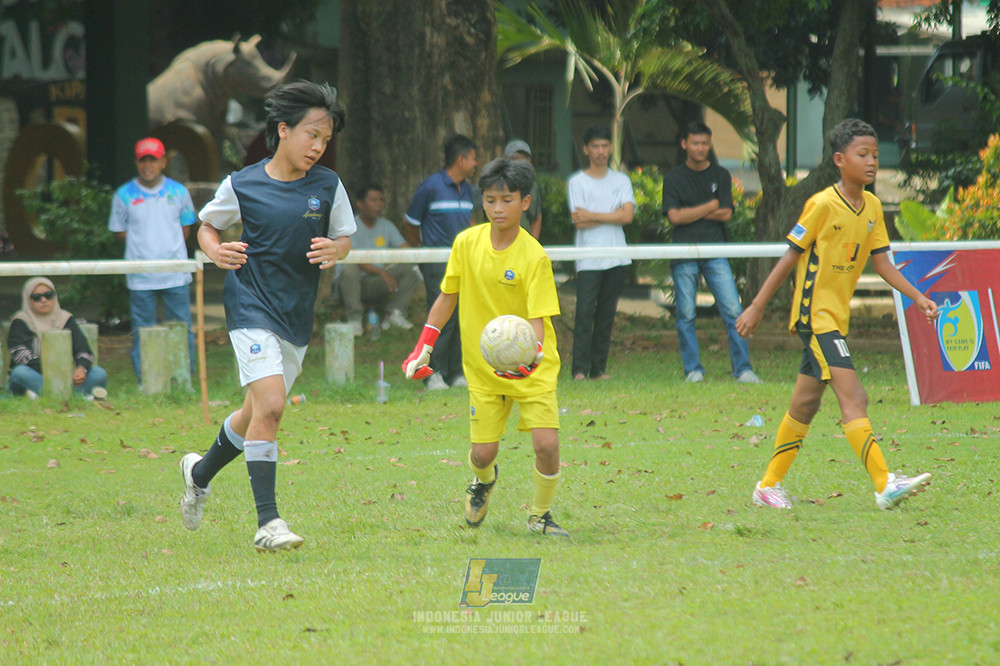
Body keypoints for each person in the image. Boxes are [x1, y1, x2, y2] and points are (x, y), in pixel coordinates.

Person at [178, 80, 355, 552]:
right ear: (283, 130)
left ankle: (198, 474)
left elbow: (344, 238)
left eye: (325, 139)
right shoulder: (243, 183)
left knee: (255, 412)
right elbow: (206, 225)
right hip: (250, 303)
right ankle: (268, 522)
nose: (318, 146)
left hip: (295, 313)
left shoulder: (328, 186)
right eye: (311, 135)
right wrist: (217, 252)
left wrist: (334, 250)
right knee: (273, 404)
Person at [736, 119, 937, 511]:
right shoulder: (822, 204)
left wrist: (918, 296)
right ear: (840, 160)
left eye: (876, 155)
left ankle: (767, 485)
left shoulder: (874, 208)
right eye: (863, 155)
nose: (872, 162)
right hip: (816, 318)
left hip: (835, 319)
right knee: (854, 397)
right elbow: (789, 255)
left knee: (805, 405)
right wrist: (757, 305)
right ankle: (884, 483)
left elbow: (883, 264)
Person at [402, 157, 568, 537]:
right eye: (490, 200)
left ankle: (540, 515)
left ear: (525, 202)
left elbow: (538, 322)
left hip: (533, 367)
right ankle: (482, 482)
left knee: (546, 445)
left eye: (507, 200)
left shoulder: (534, 257)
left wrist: (530, 357)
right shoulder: (466, 243)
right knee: (482, 454)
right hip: (484, 368)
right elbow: (447, 297)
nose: (497, 209)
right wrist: (422, 346)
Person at [662, 122, 762, 384]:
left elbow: (726, 213)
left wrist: (690, 212)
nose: (700, 148)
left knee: (733, 310)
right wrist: (709, 206)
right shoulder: (674, 178)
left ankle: (743, 369)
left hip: (717, 250)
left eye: (705, 143)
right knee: (685, 313)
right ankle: (692, 370)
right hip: (684, 253)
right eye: (695, 143)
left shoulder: (721, 175)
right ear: (684, 144)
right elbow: (674, 217)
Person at [108, 137, 196, 382]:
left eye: (153, 160)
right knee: (142, 332)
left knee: (181, 329)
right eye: (143, 160)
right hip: (140, 276)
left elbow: (186, 229)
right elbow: (119, 232)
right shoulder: (123, 194)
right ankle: (146, 380)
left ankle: (183, 380)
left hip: (175, 273)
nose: (148, 165)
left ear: (163, 162)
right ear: (137, 162)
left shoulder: (179, 192)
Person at [403, 133, 478, 391]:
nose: (476, 164)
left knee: (461, 318)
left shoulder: (468, 189)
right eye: (473, 158)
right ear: (461, 159)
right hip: (437, 263)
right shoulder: (430, 187)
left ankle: (455, 372)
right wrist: (423, 254)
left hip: (463, 263)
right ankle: (430, 374)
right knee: (439, 320)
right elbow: (411, 224)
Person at [567, 125, 635, 381]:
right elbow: (579, 221)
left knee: (606, 316)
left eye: (605, 146)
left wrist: (593, 214)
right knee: (585, 313)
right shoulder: (577, 181)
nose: (600, 151)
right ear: (586, 150)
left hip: (617, 256)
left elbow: (627, 216)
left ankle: (598, 369)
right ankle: (579, 370)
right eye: (595, 146)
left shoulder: (622, 180)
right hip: (588, 258)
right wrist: (612, 214)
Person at [337, 184, 421, 335]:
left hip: (376, 283)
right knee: (349, 268)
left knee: (411, 269)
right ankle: (355, 320)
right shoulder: (350, 226)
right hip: (350, 284)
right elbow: (353, 258)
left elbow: (405, 249)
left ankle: (395, 313)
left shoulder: (386, 226)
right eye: (373, 200)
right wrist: (382, 272)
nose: (378, 205)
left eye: (381, 200)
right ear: (360, 204)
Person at [7, 277, 108, 399]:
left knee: (99, 373)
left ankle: (54, 396)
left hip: (68, 376)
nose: (44, 300)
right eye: (37, 297)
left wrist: (81, 369)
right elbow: (22, 356)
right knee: (20, 373)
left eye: (48, 295)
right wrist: (57, 374)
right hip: (38, 376)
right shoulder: (20, 322)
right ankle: (73, 396)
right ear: (28, 300)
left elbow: (84, 350)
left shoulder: (66, 319)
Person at [504, 139, 542, 239]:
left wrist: (533, 243)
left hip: (525, 245)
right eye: (515, 158)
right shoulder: (497, 184)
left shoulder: (533, 186)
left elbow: (537, 217)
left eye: (524, 158)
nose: (520, 162)